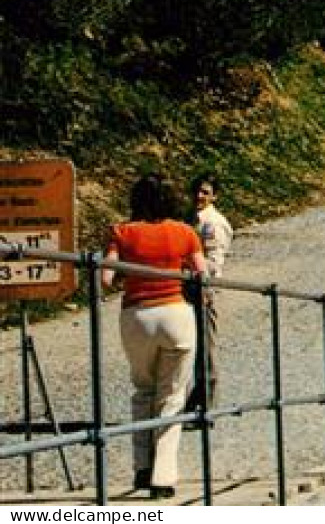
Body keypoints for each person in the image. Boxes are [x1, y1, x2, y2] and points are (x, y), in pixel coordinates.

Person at [103, 174, 206, 498]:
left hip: (136, 317)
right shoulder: (185, 233)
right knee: (172, 397)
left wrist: (127, 279)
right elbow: (203, 274)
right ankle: (163, 476)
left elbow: (106, 278)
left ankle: (141, 467)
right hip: (176, 314)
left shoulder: (122, 232)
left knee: (143, 390)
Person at [185, 175, 232, 412]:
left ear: (215, 196)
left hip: (203, 290)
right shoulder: (190, 219)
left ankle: (209, 402)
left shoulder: (213, 224)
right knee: (191, 344)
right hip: (186, 288)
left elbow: (214, 262)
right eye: (197, 191)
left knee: (206, 345)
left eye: (205, 192)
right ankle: (197, 395)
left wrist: (205, 288)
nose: (199, 196)